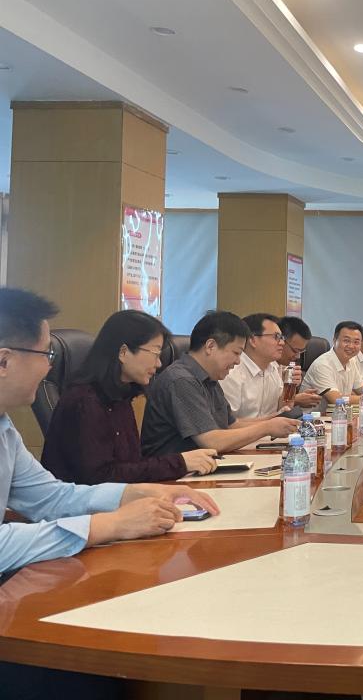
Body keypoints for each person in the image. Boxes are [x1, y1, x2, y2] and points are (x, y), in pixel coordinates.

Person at [0, 288, 219, 700]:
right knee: (90, 675)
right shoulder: (81, 402)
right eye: (46, 355)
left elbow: (50, 497)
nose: (50, 368)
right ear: (4, 360)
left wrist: (130, 494)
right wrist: (107, 525)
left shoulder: (5, 428)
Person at [42, 311, 218, 484]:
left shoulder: (122, 395)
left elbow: (132, 465)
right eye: (155, 353)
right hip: (83, 501)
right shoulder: (85, 401)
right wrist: (179, 463)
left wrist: (181, 463)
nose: (159, 363)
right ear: (123, 352)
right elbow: (102, 477)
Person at [141, 311, 298, 457]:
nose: (238, 361)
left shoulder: (210, 378)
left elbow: (231, 424)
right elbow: (212, 441)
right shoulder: (181, 380)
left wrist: (274, 420)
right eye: (236, 353)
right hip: (175, 473)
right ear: (210, 346)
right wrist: (267, 428)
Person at [219, 313, 318, 419]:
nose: (282, 343)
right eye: (276, 337)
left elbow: (284, 409)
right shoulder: (231, 372)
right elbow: (227, 424)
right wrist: (269, 424)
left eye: (282, 338)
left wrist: (290, 386)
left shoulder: (273, 368)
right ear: (253, 340)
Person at [299, 320, 363, 405]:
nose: (351, 346)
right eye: (346, 341)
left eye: (356, 342)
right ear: (334, 340)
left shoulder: (352, 361)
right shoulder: (322, 365)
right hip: (313, 413)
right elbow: (336, 399)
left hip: (339, 412)